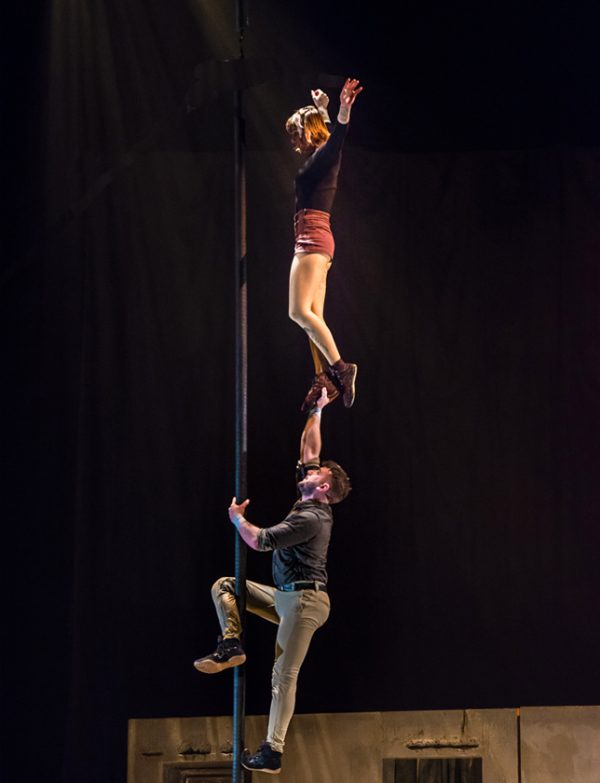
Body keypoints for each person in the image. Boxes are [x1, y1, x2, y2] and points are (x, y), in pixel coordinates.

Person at [193, 387, 351, 774]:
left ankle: (273, 751)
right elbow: (309, 450)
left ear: (323, 487)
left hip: (305, 604)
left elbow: (259, 541)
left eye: (315, 473)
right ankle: (231, 643)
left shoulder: (311, 518)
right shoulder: (307, 499)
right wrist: (317, 410)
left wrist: (237, 520)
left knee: (283, 675)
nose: (308, 470)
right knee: (225, 586)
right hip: (286, 597)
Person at [286, 77, 363, 412]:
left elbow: (337, 140)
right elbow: (330, 141)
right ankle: (324, 377)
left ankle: (341, 368)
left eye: (297, 133)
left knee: (298, 311)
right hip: (314, 237)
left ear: (309, 130)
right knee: (313, 317)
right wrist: (322, 110)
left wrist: (342, 110)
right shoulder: (321, 156)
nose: (294, 140)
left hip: (312, 237)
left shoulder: (326, 155)